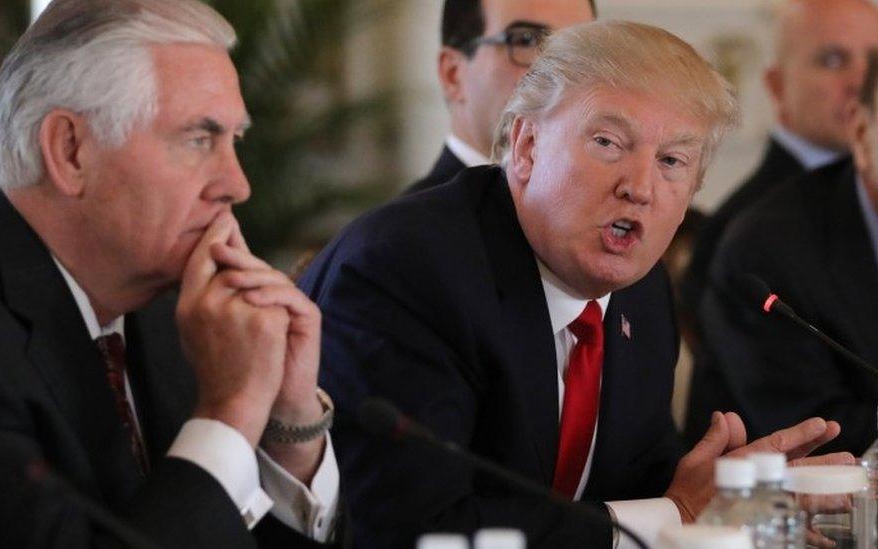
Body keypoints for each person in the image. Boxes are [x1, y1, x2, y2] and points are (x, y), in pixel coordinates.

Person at [299, 20, 849, 549]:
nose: (639, 187)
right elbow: (414, 528)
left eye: (672, 160)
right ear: (527, 147)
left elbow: (645, 488)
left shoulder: (643, 293)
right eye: (608, 142)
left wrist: (730, 501)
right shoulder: (411, 269)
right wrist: (672, 516)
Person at [0, 0, 339, 547]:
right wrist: (230, 411)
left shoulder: (175, 309)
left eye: (235, 141)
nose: (237, 184)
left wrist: (288, 421)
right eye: (199, 139)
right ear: (71, 150)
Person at [683, 0, 878, 440]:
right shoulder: (753, 232)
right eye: (832, 59)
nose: (861, 80)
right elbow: (812, 427)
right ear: (776, 84)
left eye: (875, 59)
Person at [405, 0, 595, 194]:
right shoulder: (409, 222)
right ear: (452, 74)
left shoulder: (603, 212)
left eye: (578, 47)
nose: (562, 73)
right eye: (525, 40)